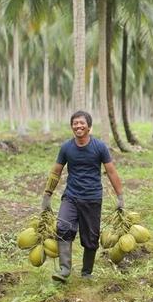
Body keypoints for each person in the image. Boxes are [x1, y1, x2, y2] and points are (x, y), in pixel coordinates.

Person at [41, 111, 124, 282]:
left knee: (91, 237)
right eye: (75, 123)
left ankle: (87, 272)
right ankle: (64, 269)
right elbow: (56, 171)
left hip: (92, 198)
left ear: (89, 126)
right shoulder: (66, 148)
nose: (78, 126)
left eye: (81, 123)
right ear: (72, 127)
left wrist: (120, 196)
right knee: (63, 227)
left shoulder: (99, 147)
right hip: (71, 197)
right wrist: (47, 195)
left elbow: (111, 171)